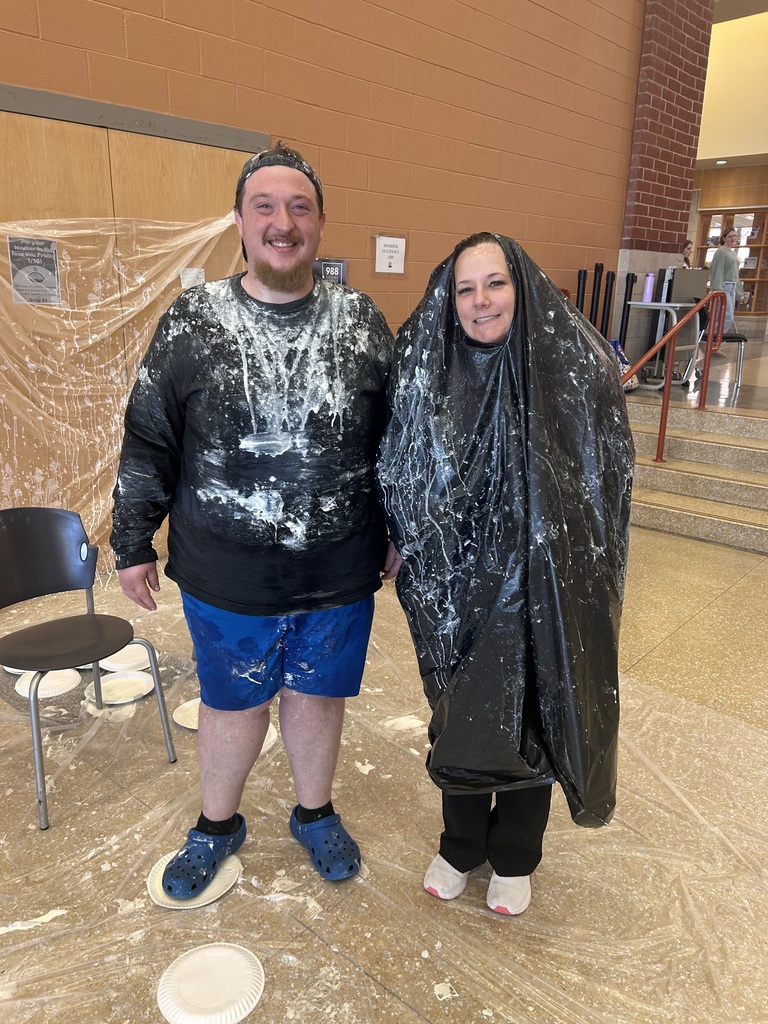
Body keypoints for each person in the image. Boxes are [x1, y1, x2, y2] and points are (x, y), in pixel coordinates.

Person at [111, 142, 400, 899]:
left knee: (316, 698)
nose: (282, 222)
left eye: (298, 207)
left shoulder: (363, 321)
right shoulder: (193, 320)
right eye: (265, 207)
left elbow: (397, 442)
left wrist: (399, 529)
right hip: (225, 570)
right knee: (231, 700)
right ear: (240, 222)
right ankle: (217, 824)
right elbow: (148, 437)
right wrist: (132, 540)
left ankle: (314, 812)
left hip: (338, 569)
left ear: (321, 224)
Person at [377, 233, 634, 916]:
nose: (481, 300)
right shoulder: (427, 367)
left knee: (534, 708)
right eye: (466, 288)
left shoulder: (567, 368)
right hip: (453, 586)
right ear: (448, 298)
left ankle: (516, 855)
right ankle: (460, 844)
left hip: (542, 584)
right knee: (460, 712)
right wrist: (402, 539)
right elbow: (398, 466)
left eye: (495, 283)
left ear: (521, 288)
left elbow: (601, 476)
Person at [709, 227, 743, 331]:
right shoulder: (721, 252)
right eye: (730, 236)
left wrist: (739, 293)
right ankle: (713, 339)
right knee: (726, 317)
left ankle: (716, 340)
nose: (733, 238)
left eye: (734, 236)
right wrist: (717, 289)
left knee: (727, 316)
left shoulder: (733, 253)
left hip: (732, 287)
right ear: (724, 238)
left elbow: (735, 274)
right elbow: (717, 271)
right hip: (724, 287)